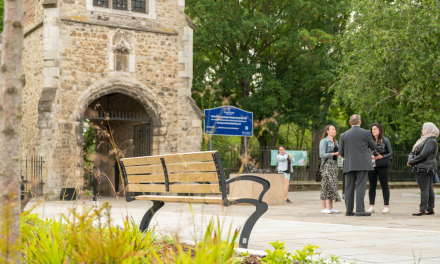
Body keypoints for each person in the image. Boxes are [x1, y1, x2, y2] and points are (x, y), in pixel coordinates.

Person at [339, 114, 377, 217]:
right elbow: (373, 147)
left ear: (350, 123)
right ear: (360, 122)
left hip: (349, 164)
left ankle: (349, 211)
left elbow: (341, 152)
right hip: (363, 163)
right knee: (361, 187)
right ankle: (360, 210)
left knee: (349, 188)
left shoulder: (343, 135)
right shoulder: (366, 133)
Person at [407, 122, 439, 216]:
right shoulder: (427, 140)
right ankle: (429, 209)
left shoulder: (430, 141)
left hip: (423, 167)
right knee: (428, 188)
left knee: (424, 189)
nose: (422, 130)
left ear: (428, 130)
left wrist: (411, 161)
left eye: (423, 129)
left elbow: (423, 155)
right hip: (426, 166)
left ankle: (423, 209)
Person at [367, 123, 393, 214]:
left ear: (380, 130)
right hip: (372, 165)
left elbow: (390, 153)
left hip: (383, 165)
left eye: (375, 129)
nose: (373, 131)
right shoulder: (369, 141)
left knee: (384, 185)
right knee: (372, 186)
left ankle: (386, 206)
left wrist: (382, 156)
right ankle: (371, 206)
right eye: (372, 129)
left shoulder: (385, 140)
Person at [319, 125, 342, 214]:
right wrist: (334, 153)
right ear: (327, 131)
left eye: (335, 129)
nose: (334, 130)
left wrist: (339, 155)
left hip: (334, 165)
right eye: (332, 129)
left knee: (333, 185)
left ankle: (331, 207)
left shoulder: (336, 142)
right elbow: (322, 155)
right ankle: (324, 207)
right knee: (325, 185)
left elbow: (339, 153)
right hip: (326, 165)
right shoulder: (324, 141)